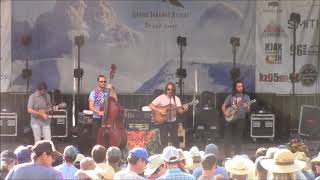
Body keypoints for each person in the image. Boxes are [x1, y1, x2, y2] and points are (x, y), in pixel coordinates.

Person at [149, 82, 188, 149]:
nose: (170, 91)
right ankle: (164, 155)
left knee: (175, 140)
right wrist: (160, 110)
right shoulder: (161, 97)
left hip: (173, 122)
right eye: (168, 89)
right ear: (166, 90)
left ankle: (176, 155)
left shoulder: (176, 99)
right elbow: (151, 105)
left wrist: (184, 109)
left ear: (174, 91)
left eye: (171, 90)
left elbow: (179, 111)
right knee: (164, 141)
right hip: (163, 122)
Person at [222, 79, 251, 157]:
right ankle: (227, 158)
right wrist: (226, 113)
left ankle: (236, 157)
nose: (240, 88)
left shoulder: (246, 97)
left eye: (241, 86)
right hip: (230, 120)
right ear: (235, 87)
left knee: (238, 140)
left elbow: (248, 110)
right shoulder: (230, 96)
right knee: (227, 140)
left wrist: (246, 107)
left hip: (240, 120)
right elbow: (223, 106)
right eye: (238, 86)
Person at [88, 75, 118, 143]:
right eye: (101, 81)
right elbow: (91, 106)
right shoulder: (93, 93)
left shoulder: (107, 92)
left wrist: (112, 89)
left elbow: (116, 100)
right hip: (97, 118)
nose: (103, 83)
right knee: (96, 137)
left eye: (104, 81)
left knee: (107, 137)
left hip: (107, 118)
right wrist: (98, 112)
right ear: (98, 82)